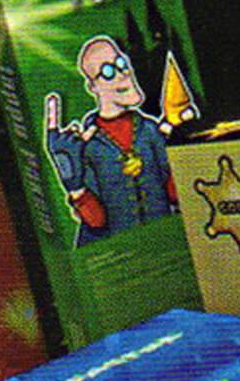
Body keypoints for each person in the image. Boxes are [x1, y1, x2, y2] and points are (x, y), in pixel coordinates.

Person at [44, 36, 176, 245]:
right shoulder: (88, 146)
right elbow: (96, 222)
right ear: (93, 87)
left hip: (166, 243)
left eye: (122, 63)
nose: (123, 74)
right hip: (123, 252)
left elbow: (174, 192)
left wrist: (182, 143)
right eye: (108, 71)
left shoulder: (150, 130)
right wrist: (71, 178)